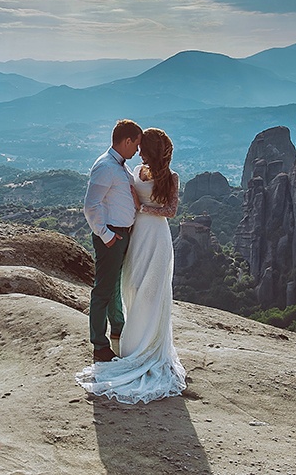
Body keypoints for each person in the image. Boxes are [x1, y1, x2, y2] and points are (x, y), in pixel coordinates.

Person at [76, 127, 187, 404]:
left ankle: (146, 345)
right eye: (137, 146)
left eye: (142, 148)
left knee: (151, 291)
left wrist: (141, 206)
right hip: (135, 236)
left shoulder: (170, 177)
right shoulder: (134, 170)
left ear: (151, 150)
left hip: (156, 237)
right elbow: (101, 202)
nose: (138, 152)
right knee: (132, 286)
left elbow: (171, 211)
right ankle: (129, 341)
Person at [82, 119, 142, 363]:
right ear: (127, 141)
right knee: (103, 290)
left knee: (114, 285)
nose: (137, 150)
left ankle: (118, 327)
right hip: (111, 236)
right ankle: (99, 345)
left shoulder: (120, 166)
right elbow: (90, 205)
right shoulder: (106, 166)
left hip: (121, 234)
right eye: (136, 145)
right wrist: (106, 236)